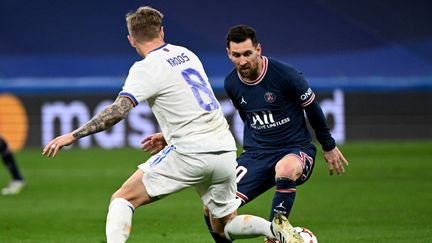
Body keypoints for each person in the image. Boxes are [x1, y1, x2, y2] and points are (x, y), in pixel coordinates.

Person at [42, 7, 301, 243]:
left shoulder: (145, 68)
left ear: (131, 39)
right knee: (224, 224)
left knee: (123, 198)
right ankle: (278, 231)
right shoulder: (186, 54)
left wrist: (73, 136)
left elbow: (117, 112)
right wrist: (169, 135)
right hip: (224, 150)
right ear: (162, 31)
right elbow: (194, 105)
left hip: (191, 152)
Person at [143, 24, 349, 243]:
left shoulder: (285, 74)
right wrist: (173, 136)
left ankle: (277, 234)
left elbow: (312, 107)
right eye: (236, 55)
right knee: (213, 209)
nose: (243, 61)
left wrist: (328, 146)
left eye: (248, 54)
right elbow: (224, 119)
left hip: (294, 149)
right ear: (228, 54)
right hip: (256, 155)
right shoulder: (232, 84)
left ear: (258, 49)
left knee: (285, 168)